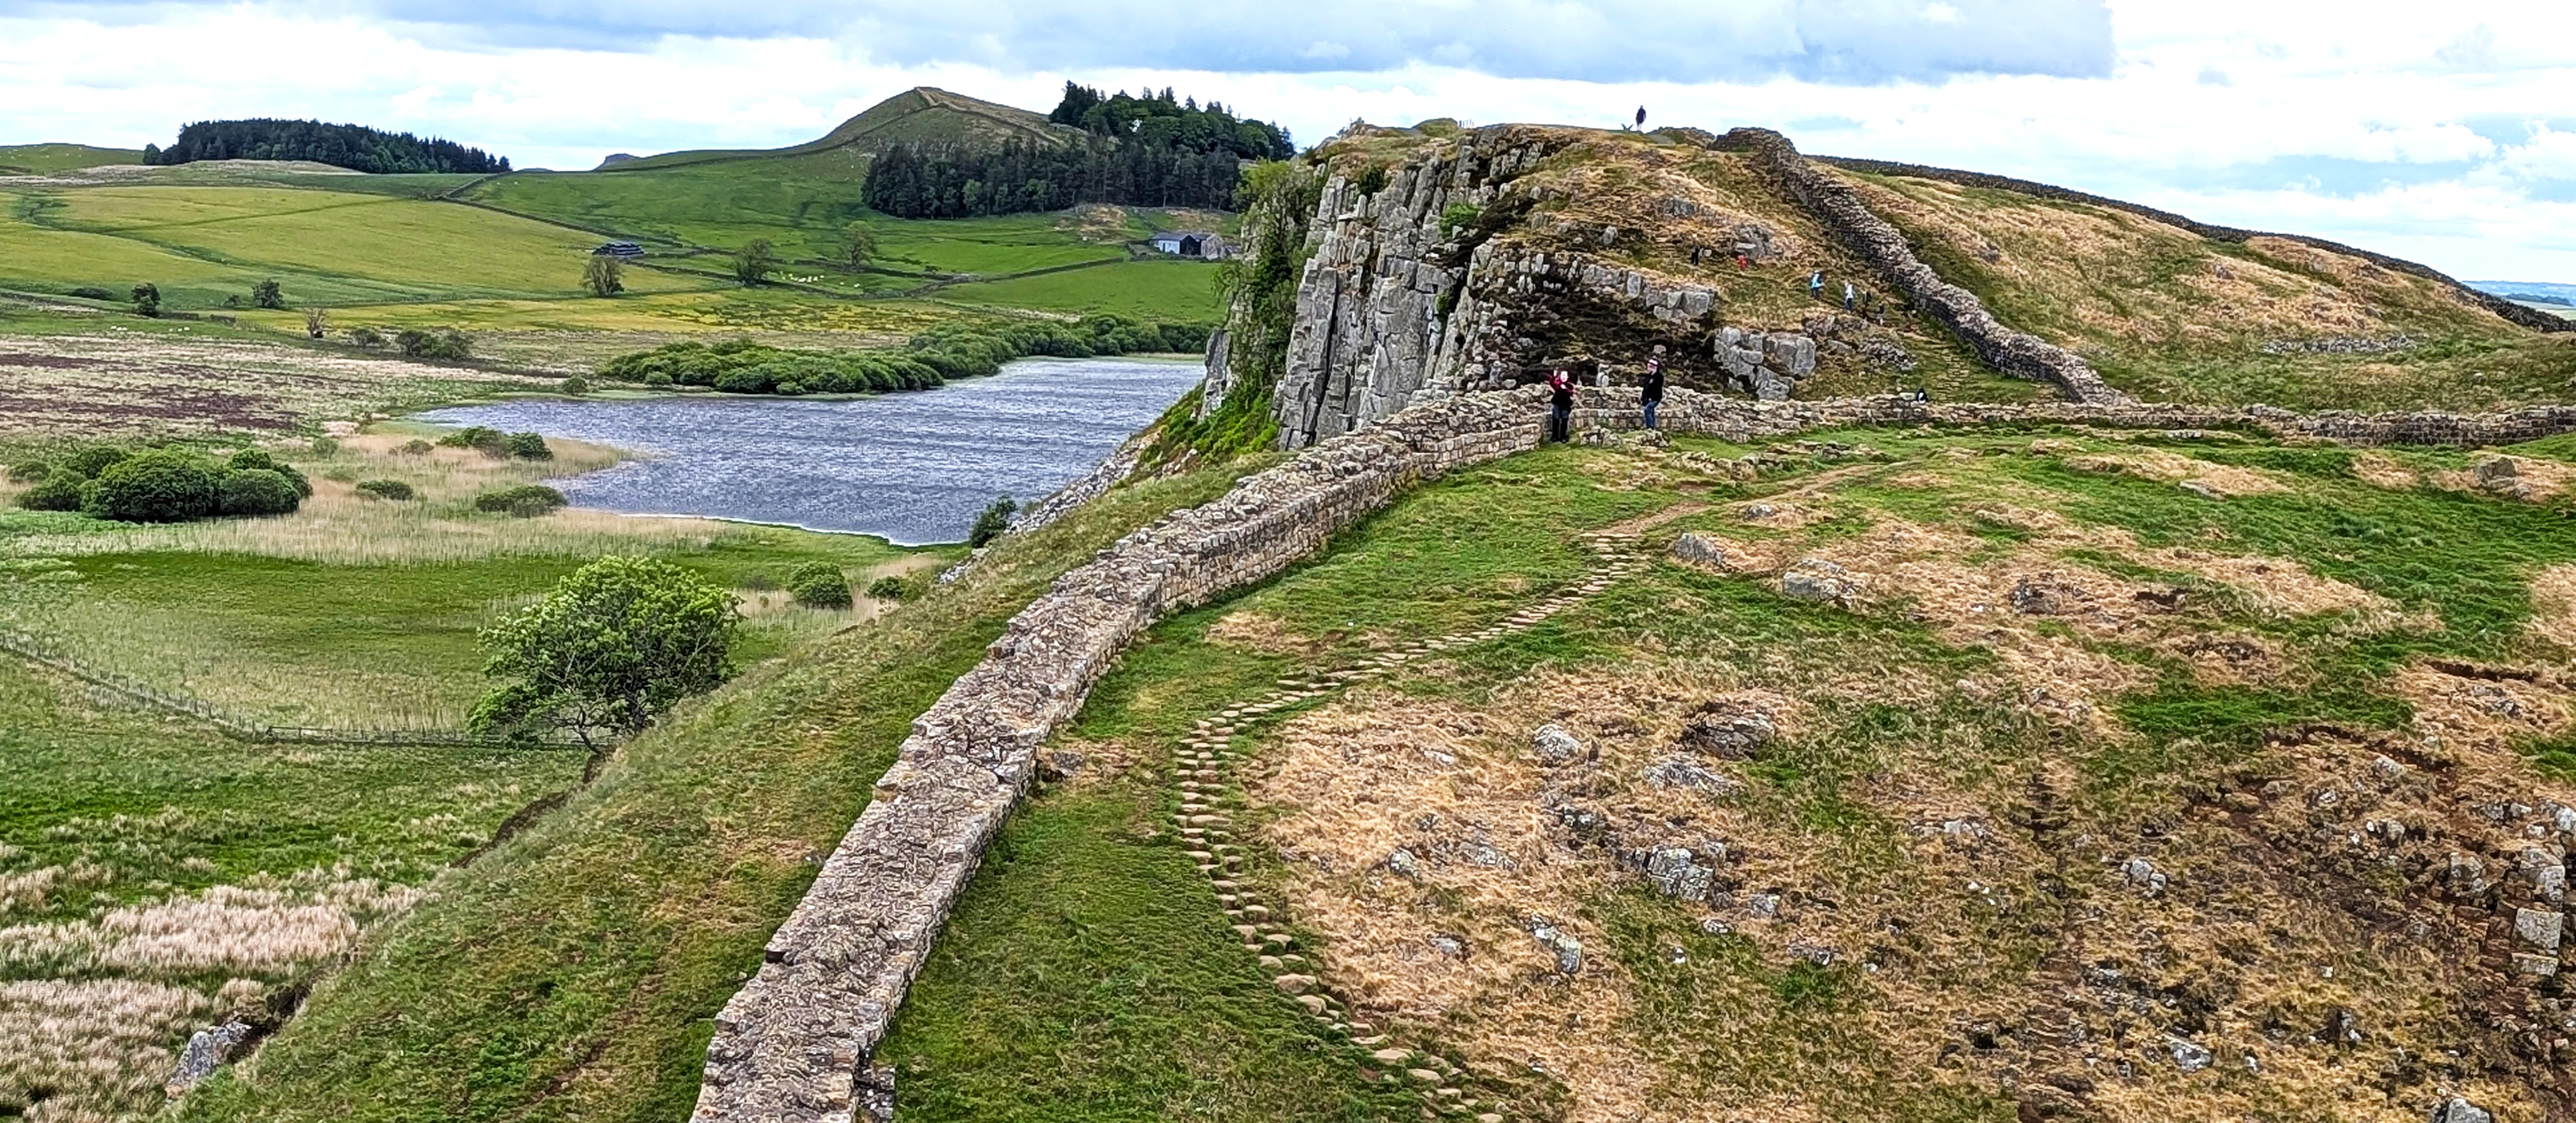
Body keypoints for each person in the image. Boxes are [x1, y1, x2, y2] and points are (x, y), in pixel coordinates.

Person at [1546, 367, 1575, 442]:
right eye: (1562, 375)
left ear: (1568, 377)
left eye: (1565, 375)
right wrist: (1554, 377)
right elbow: (1552, 383)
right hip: (1557, 404)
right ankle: (1555, 437)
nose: (1564, 377)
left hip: (1565, 406)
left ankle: (1563, 437)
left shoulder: (1570, 385)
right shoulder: (1558, 384)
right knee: (1555, 420)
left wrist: (1565, 388)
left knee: (1564, 421)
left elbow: (1571, 392)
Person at [1640, 351, 1667, 431]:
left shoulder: (1659, 377)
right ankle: (1652, 426)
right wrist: (1643, 398)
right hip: (1648, 398)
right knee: (1650, 411)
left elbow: (1657, 387)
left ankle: (1650, 427)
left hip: (1655, 398)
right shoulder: (1648, 377)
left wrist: (1651, 397)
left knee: (1648, 409)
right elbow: (1645, 388)